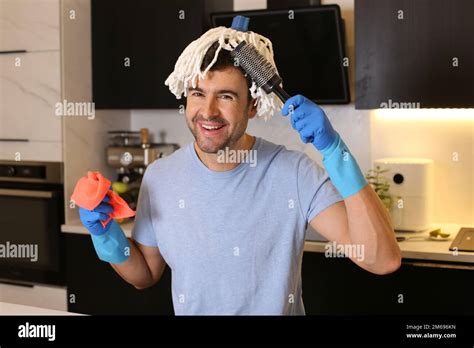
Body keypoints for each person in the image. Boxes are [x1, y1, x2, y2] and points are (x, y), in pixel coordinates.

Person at [79, 22, 401, 315]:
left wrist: (335, 151)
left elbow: (382, 259)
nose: (208, 111)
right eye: (198, 94)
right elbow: (145, 274)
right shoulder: (160, 178)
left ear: (253, 105)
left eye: (226, 96)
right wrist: (106, 235)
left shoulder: (294, 173)